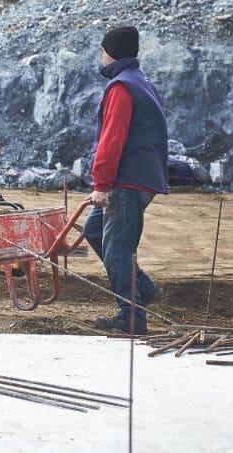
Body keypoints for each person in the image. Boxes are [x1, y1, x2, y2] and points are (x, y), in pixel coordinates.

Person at [82, 26, 169, 334]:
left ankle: (130, 319)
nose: (101, 55)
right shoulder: (140, 81)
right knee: (94, 230)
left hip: (126, 179)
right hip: (139, 176)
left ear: (111, 53)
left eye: (103, 50)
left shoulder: (121, 88)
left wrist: (101, 184)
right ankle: (142, 287)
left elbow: (112, 139)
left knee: (118, 249)